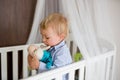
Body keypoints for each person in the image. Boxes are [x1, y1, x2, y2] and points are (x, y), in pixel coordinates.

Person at [28, 13, 72, 79]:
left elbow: (57, 72)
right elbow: (45, 63)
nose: (43, 40)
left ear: (61, 37)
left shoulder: (63, 52)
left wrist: (39, 65)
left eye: (47, 37)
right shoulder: (49, 48)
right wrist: (35, 61)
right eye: (42, 35)